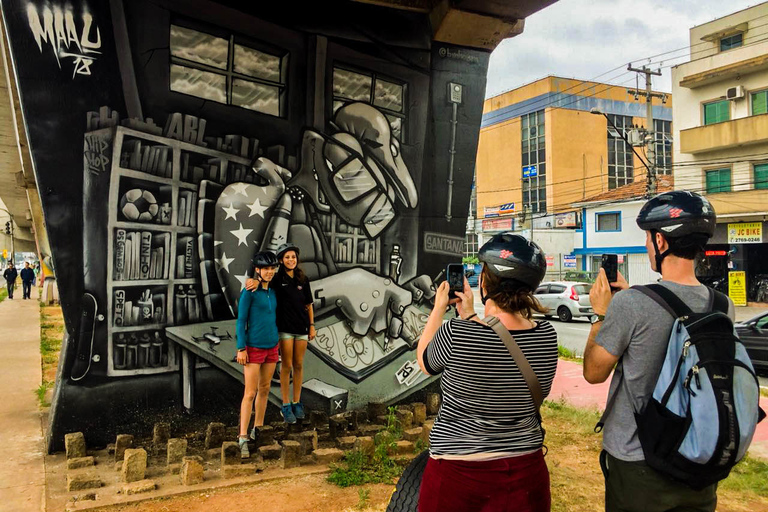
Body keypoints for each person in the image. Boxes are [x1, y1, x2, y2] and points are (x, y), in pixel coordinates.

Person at [584, 191, 730, 512]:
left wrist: (602, 315)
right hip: (698, 458)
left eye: (648, 240)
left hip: (638, 463)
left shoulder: (631, 303)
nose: (647, 246)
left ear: (661, 242)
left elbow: (594, 373)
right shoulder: (723, 306)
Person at [416, 233, 558, 512]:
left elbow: (424, 360)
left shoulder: (457, 333)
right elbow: (500, 345)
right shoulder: (547, 338)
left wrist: (438, 309)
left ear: (484, 282)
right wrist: (469, 316)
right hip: (526, 473)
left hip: (458, 476)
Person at [236, 251, 280, 459]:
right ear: (257, 269)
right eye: (266, 268)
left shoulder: (272, 290)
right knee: (250, 392)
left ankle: (258, 429)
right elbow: (240, 320)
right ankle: (243, 436)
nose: (270, 272)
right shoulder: (250, 291)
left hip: (272, 346)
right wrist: (240, 348)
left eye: (272, 268)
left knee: (265, 389)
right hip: (253, 348)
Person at [272, 243, 315, 424]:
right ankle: (286, 404)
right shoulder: (276, 279)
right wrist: (253, 282)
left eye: (293, 257)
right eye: (287, 257)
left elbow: (309, 304)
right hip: (285, 329)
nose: (291, 260)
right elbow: (262, 285)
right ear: (281, 260)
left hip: (302, 329)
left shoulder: (303, 279)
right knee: (287, 365)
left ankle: (297, 402)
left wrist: (311, 325)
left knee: (298, 364)